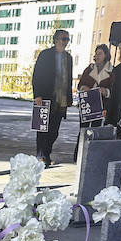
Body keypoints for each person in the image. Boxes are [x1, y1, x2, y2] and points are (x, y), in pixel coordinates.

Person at [31, 30, 73, 167]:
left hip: (61, 100)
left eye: (67, 39)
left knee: (54, 131)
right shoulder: (45, 55)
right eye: (63, 38)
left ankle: (46, 154)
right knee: (43, 129)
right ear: (55, 39)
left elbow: (69, 79)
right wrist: (37, 94)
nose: (65, 41)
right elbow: (36, 75)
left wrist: (69, 98)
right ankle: (40, 156)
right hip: (45, 97)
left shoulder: (69, 58)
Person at [76, 43, 114, 124]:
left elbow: (114, 89)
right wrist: (84, 88)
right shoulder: (89, 69)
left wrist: (105, 91)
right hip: (86, 104)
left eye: (100, 54)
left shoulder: (112, 72)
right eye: (96, 54)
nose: (97, 56)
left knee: (95, 130)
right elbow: (79, 85)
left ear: (106, 55)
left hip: (101, 106)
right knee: (83, 130)